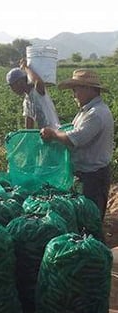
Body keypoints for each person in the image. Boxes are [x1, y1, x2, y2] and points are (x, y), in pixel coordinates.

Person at [40, 69, 114, 220]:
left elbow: (74, 139)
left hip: (94, 176)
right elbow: (72, 130)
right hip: (85, 174)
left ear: (88, 89)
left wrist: (54, 135)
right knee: (83, 216)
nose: (73, 95)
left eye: (75, 90)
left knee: (91, 217)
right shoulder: (86, 111)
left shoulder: (96, 114)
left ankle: (95, 241)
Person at [6, 59, 60, 129]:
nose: (12, 90)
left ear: (19, 82)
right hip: (44, 135)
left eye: (12, 86)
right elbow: (29, 124)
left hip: (54, 132)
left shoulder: (36, 92)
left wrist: (26, 67)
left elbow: (38, 82)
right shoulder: (27, 101)